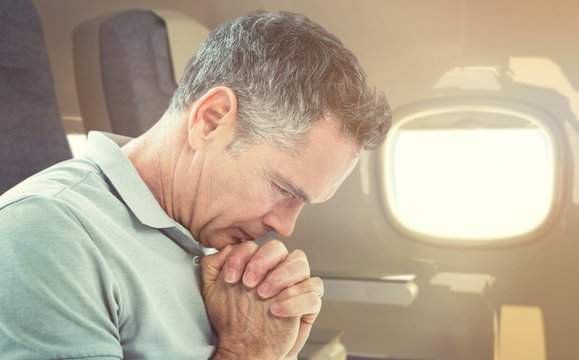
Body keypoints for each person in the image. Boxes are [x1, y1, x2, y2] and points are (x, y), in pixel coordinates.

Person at [0, 10, 391, 359]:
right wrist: (251, 351)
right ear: (212, 120)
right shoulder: (45, 233)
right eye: (284, 190)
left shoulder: (212, 232)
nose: (286, 228)